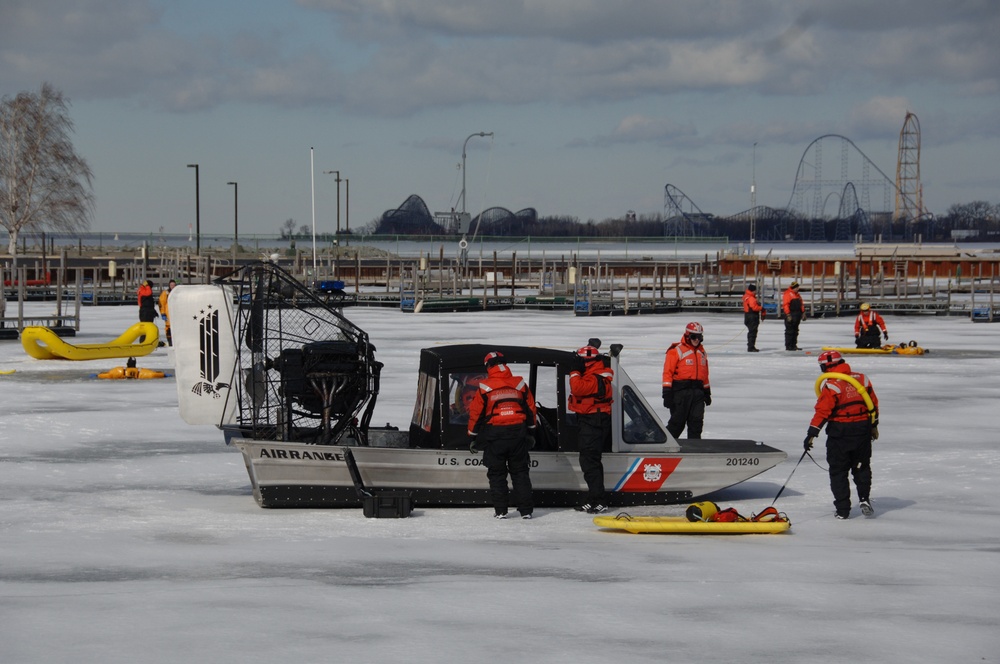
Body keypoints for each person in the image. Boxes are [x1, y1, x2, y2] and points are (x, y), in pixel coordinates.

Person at [804, 350, 880, 520]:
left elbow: (823, 411)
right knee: (861, 467)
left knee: (838, 471)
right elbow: (873, 404)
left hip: (840, 433)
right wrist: (874, 425)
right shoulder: (862, 378)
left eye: (823, 367)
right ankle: (864, 498)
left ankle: (843, 510)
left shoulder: (831, 385)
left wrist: (811, 433)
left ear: (829, 365)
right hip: (862, 430)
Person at [467, 351, 538, 519]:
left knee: (497, 474)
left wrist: (472, 437)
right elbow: (530, 409)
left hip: (495, 436)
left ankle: (501, 511)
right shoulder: (519, 384)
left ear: (488, 366)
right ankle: (526, 511)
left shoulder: (485, 387)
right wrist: (532, 431)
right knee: (520, 473)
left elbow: (476, 413)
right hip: (518, 435)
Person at [568, 341, 614, 514]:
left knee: (590, 461)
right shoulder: (594, 373)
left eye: (582, 361)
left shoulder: (597, 377)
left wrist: (574, 370)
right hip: (589, 420)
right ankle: (593, 497)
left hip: (594, 421)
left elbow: (577, 388)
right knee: (588, 461)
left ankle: (599, 500)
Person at [661, 322, 711, 440]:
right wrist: (667, 393)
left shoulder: (702, 353)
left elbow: (705, 375)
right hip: (681, 392)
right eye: (694, 336)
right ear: (687, 335)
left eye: (699, 337)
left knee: (696, 424)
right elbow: (667, 373)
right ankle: (665, 447)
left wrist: (707, 391)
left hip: (698, 393)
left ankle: (695, 450)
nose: (697, 340)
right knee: (677, 424)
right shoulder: (676, 351)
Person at [781, 281, 805, 351]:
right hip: (791, 314)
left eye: (798, 287)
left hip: (797, 315)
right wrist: (788, 314)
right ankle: (789, 346)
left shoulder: (797, 295)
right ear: (793, 288)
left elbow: (801, 304)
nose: (798, 289)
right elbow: (786, 305)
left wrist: (803, 312)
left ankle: (794, 345)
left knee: (795, 331)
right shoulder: (788, 294)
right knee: (789, 331)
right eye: (797, 287)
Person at [742, 283, 764, 352]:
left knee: (751, 332)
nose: (756, 292)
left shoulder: (746, 296)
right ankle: (751, 347)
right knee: (752, 332)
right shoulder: (751, 298)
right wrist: (761, 308)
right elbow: (754, 307)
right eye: (755, 290)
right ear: (752, 290)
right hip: (752, 316)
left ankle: (751, 346)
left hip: (748, 316)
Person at [158, 279, 177, 346]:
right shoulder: (165, 293)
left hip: (176, 315)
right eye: (171, 285)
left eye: (174, 285)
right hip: (168, 314)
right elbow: (161, 304)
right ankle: (170, 342)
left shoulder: (178, 293)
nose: (172, 286)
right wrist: (163, 313)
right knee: (168, 329)